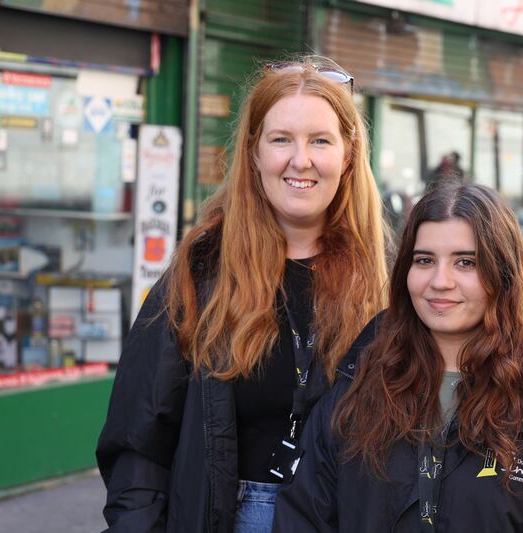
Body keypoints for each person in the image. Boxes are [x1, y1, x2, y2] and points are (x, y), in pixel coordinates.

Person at [96, 56, 390, 533]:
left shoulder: (382, 279)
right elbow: (139, 444)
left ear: (349, 154)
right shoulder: (201, 272)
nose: (302, 160)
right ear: (254, 153)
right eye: (281, 140)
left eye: (320, 140)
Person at [273, 182, 523, 532]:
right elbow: (303, 517)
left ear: (503, 275)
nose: (440, 281)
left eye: (465, 262)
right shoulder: (355, 390)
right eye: (425, 259)